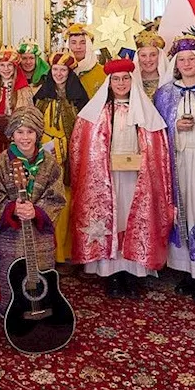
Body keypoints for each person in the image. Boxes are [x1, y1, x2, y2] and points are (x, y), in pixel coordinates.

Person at [69, 58, 174, 297]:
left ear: (132, 81)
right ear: (108, 83)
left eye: (125, 78)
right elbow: (82, 148)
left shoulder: (146, 112)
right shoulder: (97, 114)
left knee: (132, 220)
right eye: (115, 79)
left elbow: (157, 148)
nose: (121, 83)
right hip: (107, 178)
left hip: (137, 179)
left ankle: (133, 275)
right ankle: (112, 275)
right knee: (112, 221)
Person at [153, 36, 195, 300]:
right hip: (177, 161)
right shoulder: (165, 93)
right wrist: (174, 127)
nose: (186, 64)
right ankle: (186, 271)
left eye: (191, 59)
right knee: (181, 212)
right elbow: (156, 131)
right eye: (181, 60)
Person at [0, 106, 66, 316]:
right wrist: (12, 209)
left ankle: (42, 307)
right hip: (10, 233)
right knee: (11, 272)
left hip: (39, 234)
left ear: (38, 133)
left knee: (41, 274)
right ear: (12, 134)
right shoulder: (2, 161)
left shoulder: (49, 162)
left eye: (30, 132)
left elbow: (57, 196)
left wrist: (37, 212)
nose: (25, 137)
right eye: (20, 132)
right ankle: (9, 311)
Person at [32, 51, 89, 265]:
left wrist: (67, 148)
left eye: (62, 70)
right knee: (44, 200)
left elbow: (83, 128)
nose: (58, 73)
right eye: (55, 70)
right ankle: (44, 252)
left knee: (64, 203)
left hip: (69, 158)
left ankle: (64, 252)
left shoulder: (78, 98)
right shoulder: (42, 96)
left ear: (69, 72)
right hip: (44, 156)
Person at [64, 23, 106, 98]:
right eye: (73, 43)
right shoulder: (60, 72)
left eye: (83, 43)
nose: (78, 47)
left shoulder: (103, 73)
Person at [134, 30, 169, 97]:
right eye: (143, 55)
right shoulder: (131, 82)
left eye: (153, 55)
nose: (148, 60)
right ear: (138, 58)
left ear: (160, 57)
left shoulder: (169, 82)